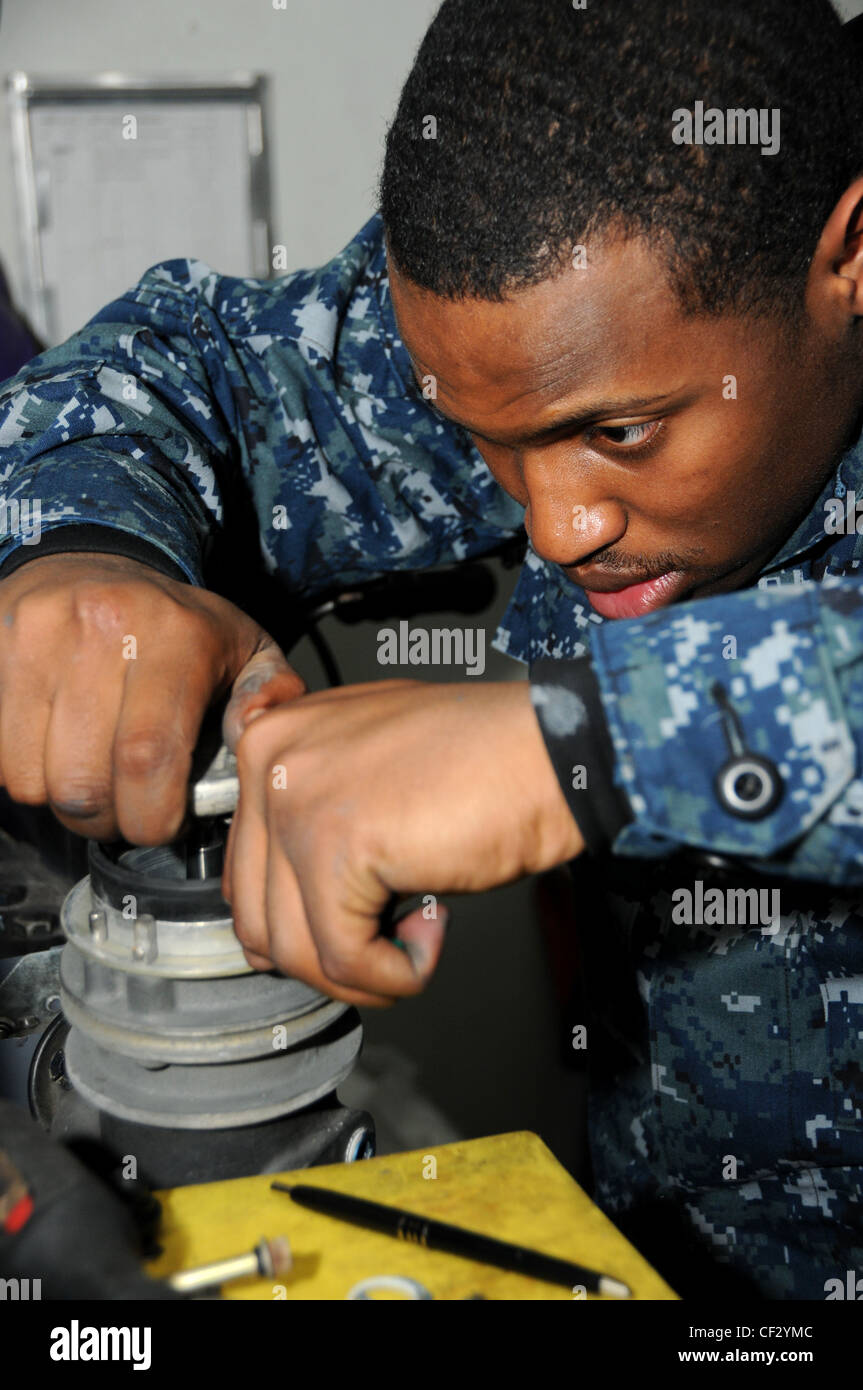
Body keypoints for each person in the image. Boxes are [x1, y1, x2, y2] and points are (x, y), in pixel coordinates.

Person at [0, 0, 861, 1298]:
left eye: (623, 433)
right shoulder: (568, 312)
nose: (557, 526)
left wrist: (587, 740)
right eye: (488, 442)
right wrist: (78, 555)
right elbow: (184, 370)